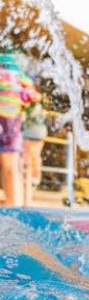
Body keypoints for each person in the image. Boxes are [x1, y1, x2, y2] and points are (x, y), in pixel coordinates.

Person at [0, 50, 38, 207]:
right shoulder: (22, 78)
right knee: (12, 167)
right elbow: (33, 97)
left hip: (4, 122)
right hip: (14, 123)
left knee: (9, 167)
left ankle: (13, 202)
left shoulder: (3, 75)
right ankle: (15, 205)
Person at [22, 100, 49, 204]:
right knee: (30, 159)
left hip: (33, 134)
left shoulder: (34, 103)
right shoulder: (35, 103)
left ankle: (33, 180)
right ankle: (31, 182)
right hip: (34, 133)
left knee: (30, 159)